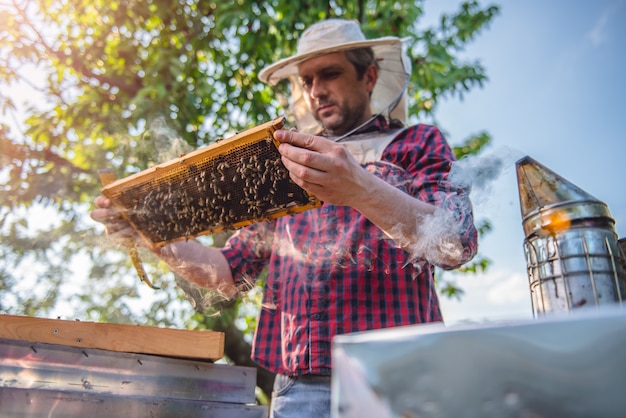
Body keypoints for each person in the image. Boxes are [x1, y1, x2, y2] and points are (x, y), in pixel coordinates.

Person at [91, 18, 478, 418]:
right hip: (299, 388)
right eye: (306, 80)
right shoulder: (287, 164)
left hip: (402, 377)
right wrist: (150, 233)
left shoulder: (418, 143)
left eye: (330, 73)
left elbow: (455, 243)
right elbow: (226, 273)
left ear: (370, 76)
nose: (315, 90)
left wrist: (359, 187)